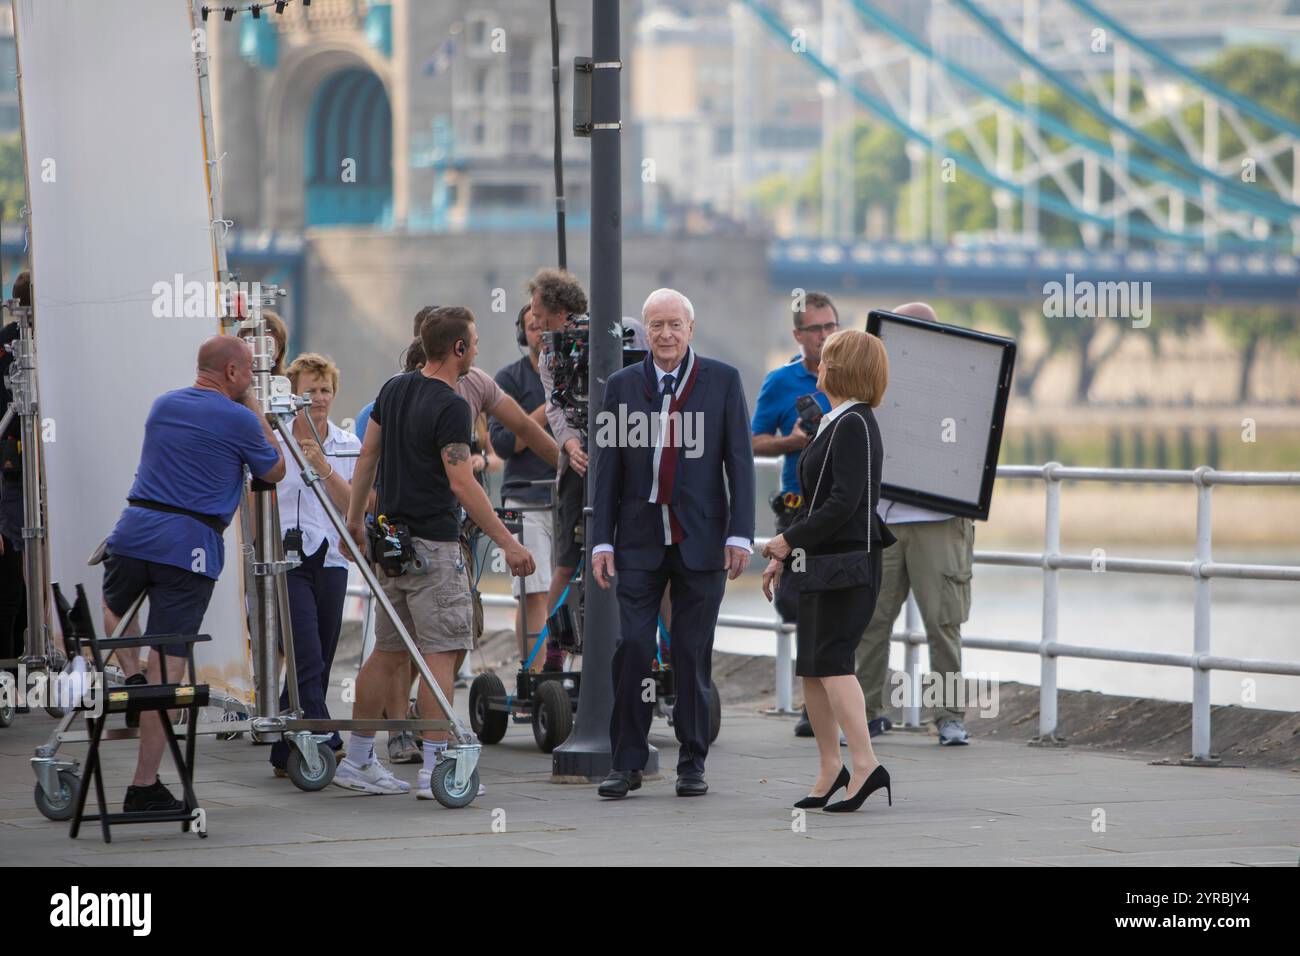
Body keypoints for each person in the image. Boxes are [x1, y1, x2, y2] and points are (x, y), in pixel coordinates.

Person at [342, 306, 534, 800]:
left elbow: (368, 456)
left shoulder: (393, 388)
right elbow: (461, 481)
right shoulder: (452, 405)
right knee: (439, 657)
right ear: (458, 350)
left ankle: (359, 760)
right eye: (473, 342)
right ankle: (434, 770)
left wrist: (354, 520)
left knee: (387, 653)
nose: (477, 350)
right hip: (433, 547)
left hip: (391, 543)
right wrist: (509, 543)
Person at [102, 336, 285, 813]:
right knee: (170, 665)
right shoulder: (241, 417)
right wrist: (254, 407)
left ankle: (131, 676)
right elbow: (275, 470)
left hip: (132, 530)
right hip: (188, 547)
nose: (250, 380)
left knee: (114, 611)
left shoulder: (163, 405)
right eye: (247, 373)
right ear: (231, 373)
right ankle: (144, 785)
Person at [590, 288, 756, 799]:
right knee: (634, 647)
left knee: (690, 651)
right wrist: (601, 541)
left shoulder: (722, 381)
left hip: (702, 539)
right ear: (644, 331)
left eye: (673, 326)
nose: (664, 335)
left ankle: (692, 762)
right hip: (638, 539)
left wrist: (740, 534)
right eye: (655, 326)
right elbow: (607, 469)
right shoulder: (621, 386)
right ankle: (628, 762)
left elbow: (741, 464)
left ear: (690, 329)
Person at [761, 328, 894, 812]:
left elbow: (844, 503)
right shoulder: (835, 421)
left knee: (834, 661)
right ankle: (830, 767)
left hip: (847, 565)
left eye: (828, 356)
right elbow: (816, 501)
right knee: (814, 668)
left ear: (841, 369)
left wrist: (786, 539)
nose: (819, 361)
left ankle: (864, 764)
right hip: (822, 563)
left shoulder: (856, 423)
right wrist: (785, 554)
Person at [855, 302, 974, 745]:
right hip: (884, 518)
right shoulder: (871, 386)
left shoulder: (963, 386)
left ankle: (949, 717)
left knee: (943, 623)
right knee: (869, 620)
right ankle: (866, 713)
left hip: (940, 519)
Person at [268, 353, 360, 777]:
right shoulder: (276, 440)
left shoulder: (347, 444)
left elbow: (355, 504)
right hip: (288, 556)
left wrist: (324, 469)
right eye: (309, 391)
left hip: (333, 557)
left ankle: (287, 749)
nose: (317, 399)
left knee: (322, 650)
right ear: (292, 394)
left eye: (324, 391)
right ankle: (324, 736)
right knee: (304, 649)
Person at [750, 291, 837, 738]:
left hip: (840, 508)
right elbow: (753, 440)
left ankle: (825, 708)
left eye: (830, 326)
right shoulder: (780, 382)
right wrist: (795, 442)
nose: (824, 336)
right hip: (797, 508)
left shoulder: (851, 374)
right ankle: (817, 702)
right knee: (796, 605)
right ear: (798, 335)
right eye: (815, 329)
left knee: (836, 607)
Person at [528, 268, 590, 673]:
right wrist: (569, 444)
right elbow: (555, 405)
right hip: (576, 470)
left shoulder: (616, 332)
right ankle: (555, 651)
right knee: (567, 561)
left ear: (557, 309)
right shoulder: (549, 353)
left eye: (536, 311)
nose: (533, 319)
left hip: (621, 457)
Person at [491, 304, 555, 670]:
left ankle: (561, 670)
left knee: (568, 593)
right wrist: (549, 407)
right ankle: (534, 673)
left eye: (547, 327)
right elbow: (503, 444)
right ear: (523, 333)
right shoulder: (509, 379)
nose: (541, 334)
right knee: (534, 592)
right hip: (526, 496)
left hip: (570, 499)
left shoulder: (578, 375)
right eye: (534, 327)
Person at [0, 271, 31, 675]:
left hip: (38, 478)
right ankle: (10, 680)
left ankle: (23, 676)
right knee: (10, 594)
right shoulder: (6, 347)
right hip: (11, 480)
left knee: (24, 595)